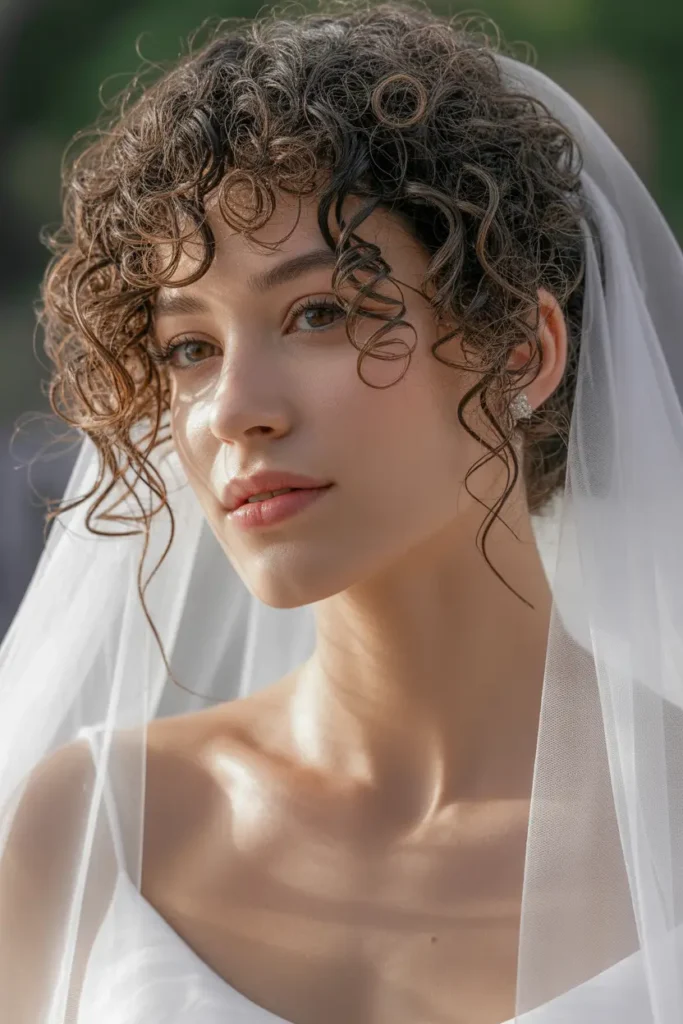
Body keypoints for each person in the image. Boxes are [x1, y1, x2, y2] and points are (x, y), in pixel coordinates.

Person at [1, 2, 683, 1022]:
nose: (233, 408)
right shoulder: (92, 824)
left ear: (520, 353)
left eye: (318, 312)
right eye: (190, 346)